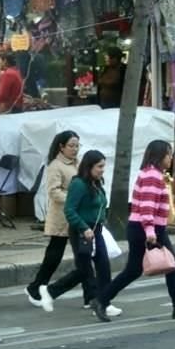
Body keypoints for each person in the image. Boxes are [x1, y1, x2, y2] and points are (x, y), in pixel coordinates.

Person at [97, 140, 175, 320]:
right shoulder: (152, 175)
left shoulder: (151, 173)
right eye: (168, 154)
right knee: (169, 265)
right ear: (159, 156)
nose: (171, 158)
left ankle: (102, 300)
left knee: (135, 270)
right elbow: (147, 207)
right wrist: (151, 233)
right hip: (146, 228)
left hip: (144, 227)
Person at [26, 131, 121, 315]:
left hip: (88, 224)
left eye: (77, 145)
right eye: (71, 145)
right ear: (61, 146)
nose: (75, 149)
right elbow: (54, 192)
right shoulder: (57, 167)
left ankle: (96, 300)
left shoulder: (84, 169)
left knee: (94, 266)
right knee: (61, 257)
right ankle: (43, 288)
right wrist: (75, 200)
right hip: (68, 219)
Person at [37, 149, 114, 322]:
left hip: (97, 231)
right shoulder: (79, 184)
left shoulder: (97, 183)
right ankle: (50, 291)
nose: (102, 170)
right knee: (84, 270)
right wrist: (83, 227)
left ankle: (104, 302)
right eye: (99, 166)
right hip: (81, 232)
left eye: (103, 166)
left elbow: (101, 205)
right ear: (90, 166)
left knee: (103, 266)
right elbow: (69, 210)